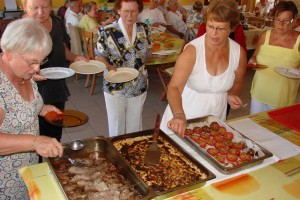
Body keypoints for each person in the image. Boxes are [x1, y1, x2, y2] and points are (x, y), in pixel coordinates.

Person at [160, 0, 247, 136]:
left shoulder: (239, 53)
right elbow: (174, 87)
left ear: (232, 28)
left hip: (216, 117)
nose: (214, 33)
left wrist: (233, 94)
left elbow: (238, 81)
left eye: (221, 28)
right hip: (185, 115)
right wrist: (178, 114)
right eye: (210, 26)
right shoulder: (193, 51)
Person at [0, 18, 63, 199]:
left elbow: (18, 107)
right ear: (10, 53)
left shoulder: (22, 72)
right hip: (5, 182)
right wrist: (35, 142)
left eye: (41, 61)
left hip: (27, 170)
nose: (37, 68)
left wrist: (41, 108)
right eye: (31, 62)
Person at [21, 0, 88, 145]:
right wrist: (30, 74)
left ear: (51, 6)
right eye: (35, 7)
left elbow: (63, 49)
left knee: (55, 132)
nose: (41, 12)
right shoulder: (20, 29)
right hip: (30, 89)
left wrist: (75, 57)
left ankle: (53, 163)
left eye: (45, 7)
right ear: (24, 7)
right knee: (35, 137)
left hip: (56, 86)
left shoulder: (57, 22)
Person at [95, 0, 152, 137]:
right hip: (115, 86)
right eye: (126, 11)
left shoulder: (144, 28)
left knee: (136, 127)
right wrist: (108, 66)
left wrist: (154, 55)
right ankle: (116, 156)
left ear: (139, 11)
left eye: (134, 11)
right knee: (116, 127)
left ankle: (133, 154)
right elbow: (99, 56)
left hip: (138, 85)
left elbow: (148, 53)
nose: (130, 15)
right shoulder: (107, 31)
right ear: (118, 10)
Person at [248, 1, 300, 114]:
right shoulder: (264, 36)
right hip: (259, 92)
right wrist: (252, 61)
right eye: (277, 19)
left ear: (294, 20)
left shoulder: (298, 41)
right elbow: (254, 56)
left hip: (282, 97)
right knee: (255, 128)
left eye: (286, 21)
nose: (281, 24)